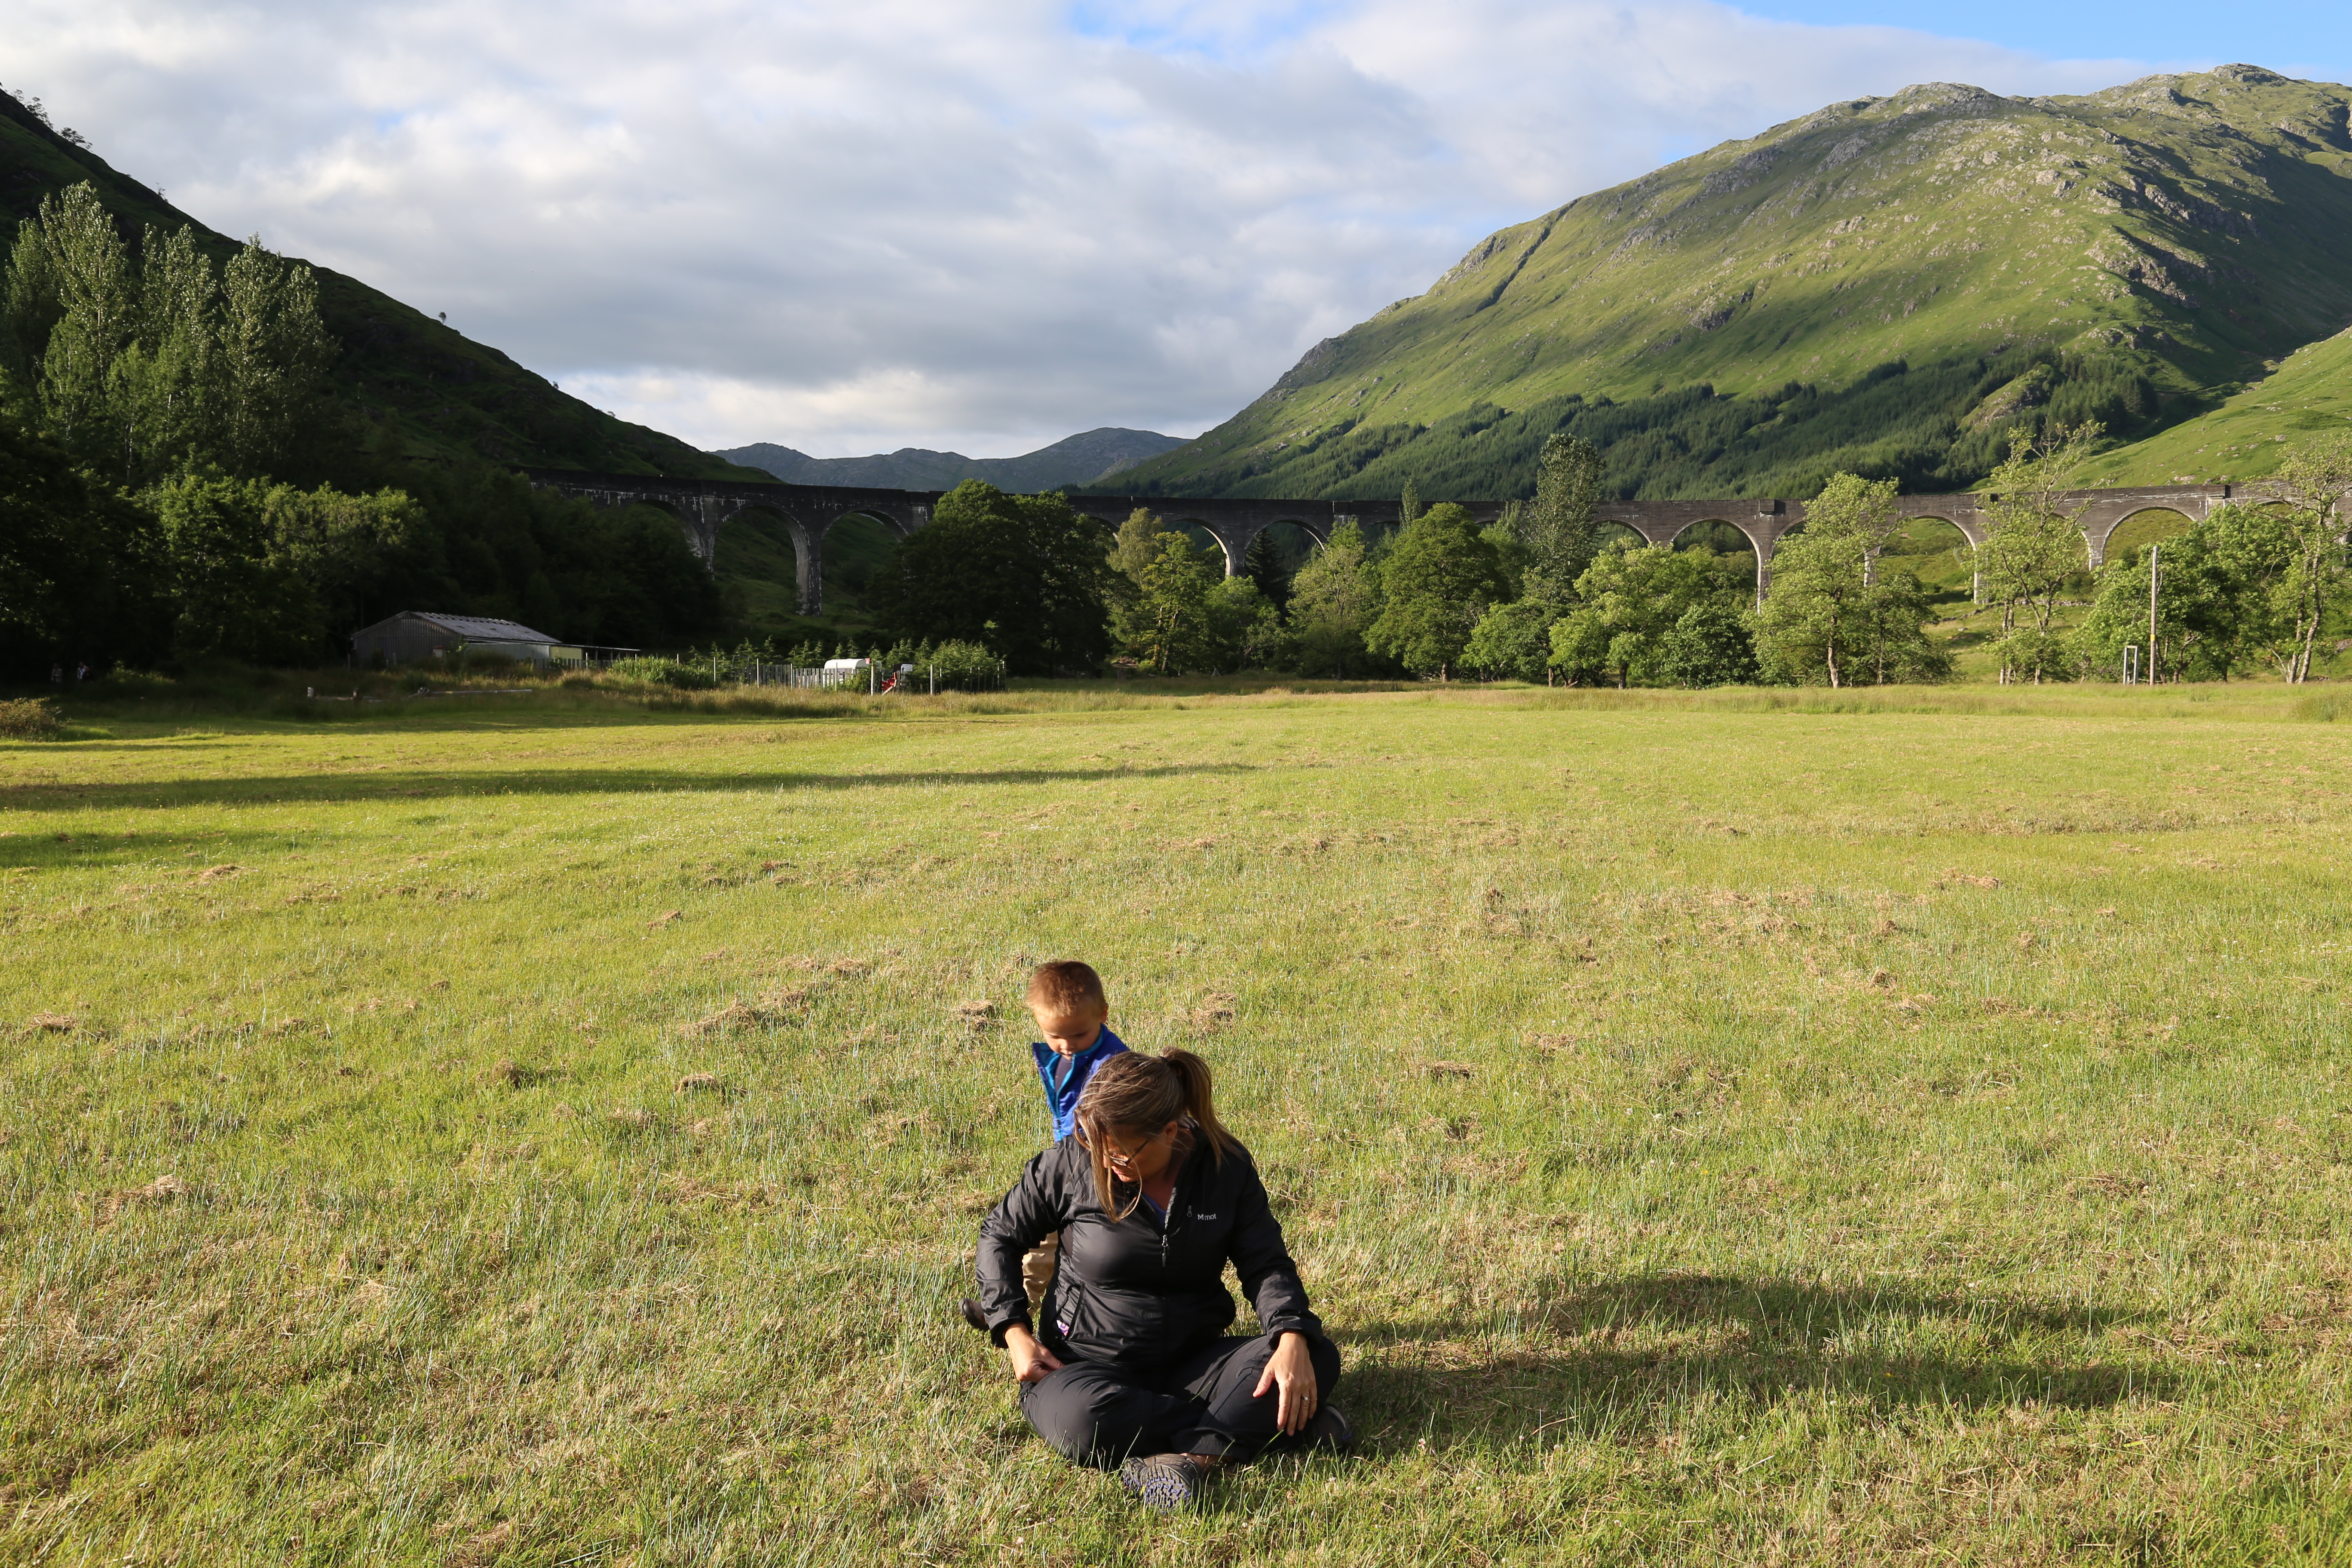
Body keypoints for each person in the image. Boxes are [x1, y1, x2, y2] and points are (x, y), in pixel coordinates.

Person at [974, 1049, 1349, 1511]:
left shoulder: (1223, 1167)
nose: (1106, 1163)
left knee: (1315, 1356)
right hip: (1084, 1367)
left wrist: (1290, 1334)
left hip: (1193, 1364)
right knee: (1085, 1423)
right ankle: (1276, 1426)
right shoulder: (1070, 1164)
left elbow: (1265, 1262)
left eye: (1121, 1154)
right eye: (1095, 1145)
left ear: (1170, 1133)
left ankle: (1190, 1459)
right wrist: (1014, 1333)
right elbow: (999, 1235)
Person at [962, 962, 1128, 1326]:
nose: (1066, 1046)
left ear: (1103, 1014)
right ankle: (1007, 1307)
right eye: (1055, 1037)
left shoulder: (1114, 1067)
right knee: (1042, 1241)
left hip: (1100, 1171)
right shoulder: (1070, 1054)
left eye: (1079, 1035)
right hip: (1067, 1167)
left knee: (1069, 1243)